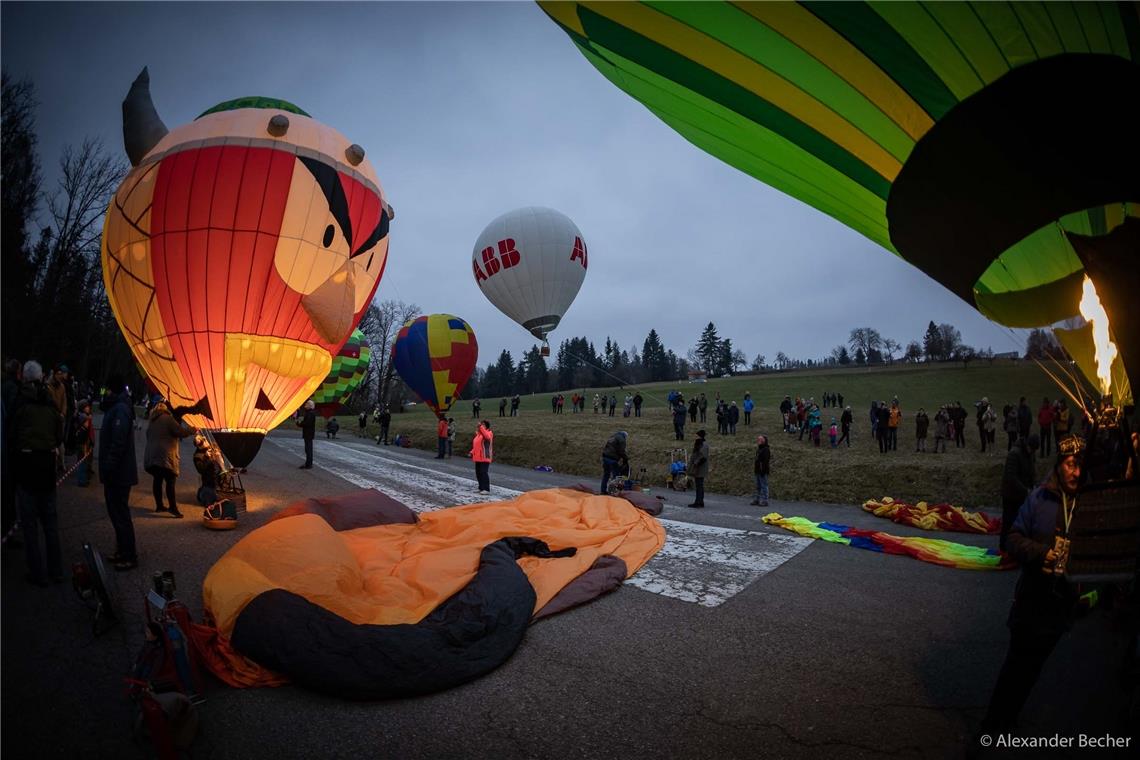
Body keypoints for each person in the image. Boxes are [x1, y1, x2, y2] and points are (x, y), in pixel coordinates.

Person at [979, 435, 1086, 738]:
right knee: (1014, 664)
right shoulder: (1039, 499)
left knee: (1035, 667)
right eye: (1070, 465)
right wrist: (1041, 552)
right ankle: (990, 725)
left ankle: (1011, 716)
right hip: (1032, 598)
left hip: (1061, 603)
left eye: (1081, 466)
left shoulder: (1088, 506)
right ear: (1058, 465)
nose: (1076, 472)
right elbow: (1013, 537)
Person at [9, 361, 64, 586]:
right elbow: (59, 435)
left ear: (25, 378)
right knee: (50, 524)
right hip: (46, 470)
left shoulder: (21, 403)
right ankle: (56, 570)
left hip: (27, 469)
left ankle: (38, 573)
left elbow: (11, 434)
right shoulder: (50, 402)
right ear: (41, 377)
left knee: (30, 526)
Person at [99, 374, 139, 571]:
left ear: (111, 389)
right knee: (116, 514)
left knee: (121, 515)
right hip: (116, 472)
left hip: (119, 473)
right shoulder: (116, 407)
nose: (104, 392)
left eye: (106, 389)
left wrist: (108, 465)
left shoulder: (121, 409)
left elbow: (118, 441)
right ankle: (121, 551)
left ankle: (129, 555)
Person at [144, 401, 194, 518]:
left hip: (152, 456)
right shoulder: (168, 418)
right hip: (165, 455)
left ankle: (159, 505)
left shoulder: (151, 421)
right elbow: (180, 432)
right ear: (165, 409)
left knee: (157, 479)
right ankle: (173, 507)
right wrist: (192, 430)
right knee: (170, 480)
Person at [1000, 433, 1039, 551]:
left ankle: (1015, 548)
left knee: (1020, 523)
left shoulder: (1030, 454)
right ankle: (1003, 547)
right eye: (1031, 449)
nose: (1032, 452)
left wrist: (1034, 485)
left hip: (1022, 495)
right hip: (1010, 494)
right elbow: (1010, 476)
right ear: (1027, 444)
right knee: (1008, 521)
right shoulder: (1014, 454)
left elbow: (1032, 471)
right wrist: (1025, 490)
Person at [600, 430, 629, 495]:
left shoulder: (612, 437)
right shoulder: (622, 439)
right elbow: (622, 451)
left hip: (605, 457)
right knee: (616, 476)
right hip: (612, 459)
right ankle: (612, 492)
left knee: (606, 475)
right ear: (625, 435)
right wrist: (625, 458)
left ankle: (603, 491)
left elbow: (607, 447)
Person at [74, 399, 95, 486]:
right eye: (86, 406)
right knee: (82, 461)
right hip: (83, 442)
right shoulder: (84, 418)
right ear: (83, 408)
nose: (88, 408)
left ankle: (83, 478)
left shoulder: (83, 417)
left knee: (82, 460)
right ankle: (82, 480)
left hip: (83, 442)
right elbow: (85, 431)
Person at [470, 419, 494, 494]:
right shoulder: (478, 435)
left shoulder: (489, 433)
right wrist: (472, 452)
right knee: (478, 473)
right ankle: (481, 487)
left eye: (483, 425)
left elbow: (487, 437)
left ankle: (486, 489)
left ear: (486, 426)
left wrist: (480, 427)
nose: (481, 426)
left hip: (484, 456)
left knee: (484, 472)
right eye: (481, 425)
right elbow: (476, 446)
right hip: (477, 457)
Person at [687, 430, 709, 508]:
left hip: (700, 468)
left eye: (696, 435)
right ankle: (700, 501)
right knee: (699, 485)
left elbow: (703, 457)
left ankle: (698, 502)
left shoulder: (703, 445)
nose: (695, 437)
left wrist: (695, 463)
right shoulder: (700, 443)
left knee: (699, 486)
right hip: (699, 468)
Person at [751, 434, 771, 506]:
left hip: (762, 471)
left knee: (764, 486)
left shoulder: (766, 449)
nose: (758, 441)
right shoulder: (759, 449)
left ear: (764, 441)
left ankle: (764, 500)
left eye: (760, 440)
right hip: (757, 470)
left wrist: (763, 470)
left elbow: (765, 461)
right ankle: (757, 499)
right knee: (757, 486)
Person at [296, 399, 316, 468]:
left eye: (306, 404)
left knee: (308, 449)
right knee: (308, 449)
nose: (305, 405)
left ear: (309, 406)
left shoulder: (310, 413)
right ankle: (308, 463)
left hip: (308, 433)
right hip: (308, 433)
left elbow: (307, 423)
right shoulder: (309, 413)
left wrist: (300, 424)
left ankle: (308, 464)